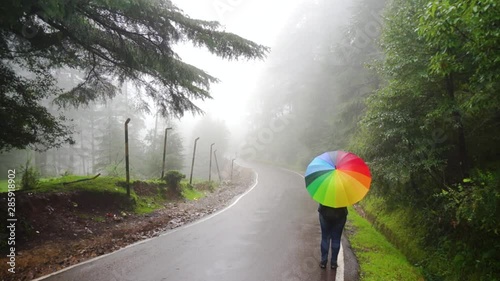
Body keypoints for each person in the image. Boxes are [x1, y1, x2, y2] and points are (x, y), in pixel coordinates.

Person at [318, 204, 348, 269]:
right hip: (340, 214)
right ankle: (333, 263)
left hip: (325, 213)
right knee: (336, 239)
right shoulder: (344, 193)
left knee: (325, 237)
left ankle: (323, 262)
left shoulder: (324, 193)